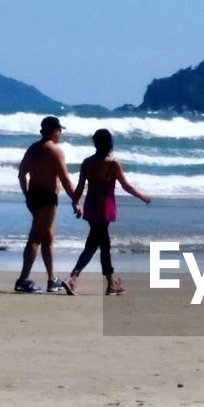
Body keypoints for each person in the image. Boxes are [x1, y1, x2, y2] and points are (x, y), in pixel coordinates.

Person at [65, 127, 150, 295]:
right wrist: (141, 196)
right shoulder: (113, 164)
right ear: (110, 144)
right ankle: (75, 278)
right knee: (101, 245)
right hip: (105, 207)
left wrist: (75, 203)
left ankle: (108, 283)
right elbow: (126, 186)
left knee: (98, 243)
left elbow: (80, 188)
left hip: (91, 206)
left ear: (95, 143)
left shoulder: (87, 163)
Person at [14, 116, 77, 294]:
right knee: (35, 239)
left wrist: (26, 195)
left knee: (47, 238)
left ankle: (52, 279)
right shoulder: (55, 151)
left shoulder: (33, 148)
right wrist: (75, 200)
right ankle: (23, 279)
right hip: (47, 198)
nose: (61, 134)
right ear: (55, 131)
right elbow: (64, 179)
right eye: (60, 131)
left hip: (34, 196)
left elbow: (21, 174)